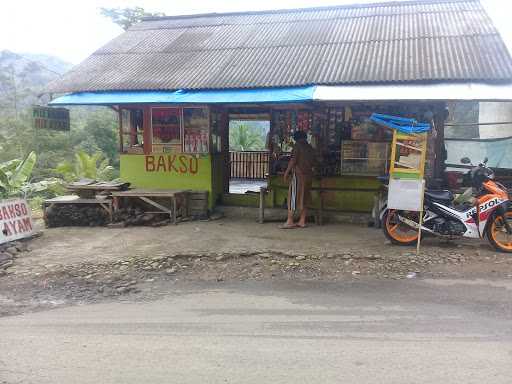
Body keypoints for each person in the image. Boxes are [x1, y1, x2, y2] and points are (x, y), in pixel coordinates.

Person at [281, 131, 316, 229]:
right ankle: (302, 221)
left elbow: (293, 160)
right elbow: (314, 163)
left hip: (298, 176)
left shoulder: (298, 146)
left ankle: (290, 221)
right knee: (305, 197)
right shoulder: (310, 147)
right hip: (308, 176)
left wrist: (286, 172)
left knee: (293, 197)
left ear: (296, 138)